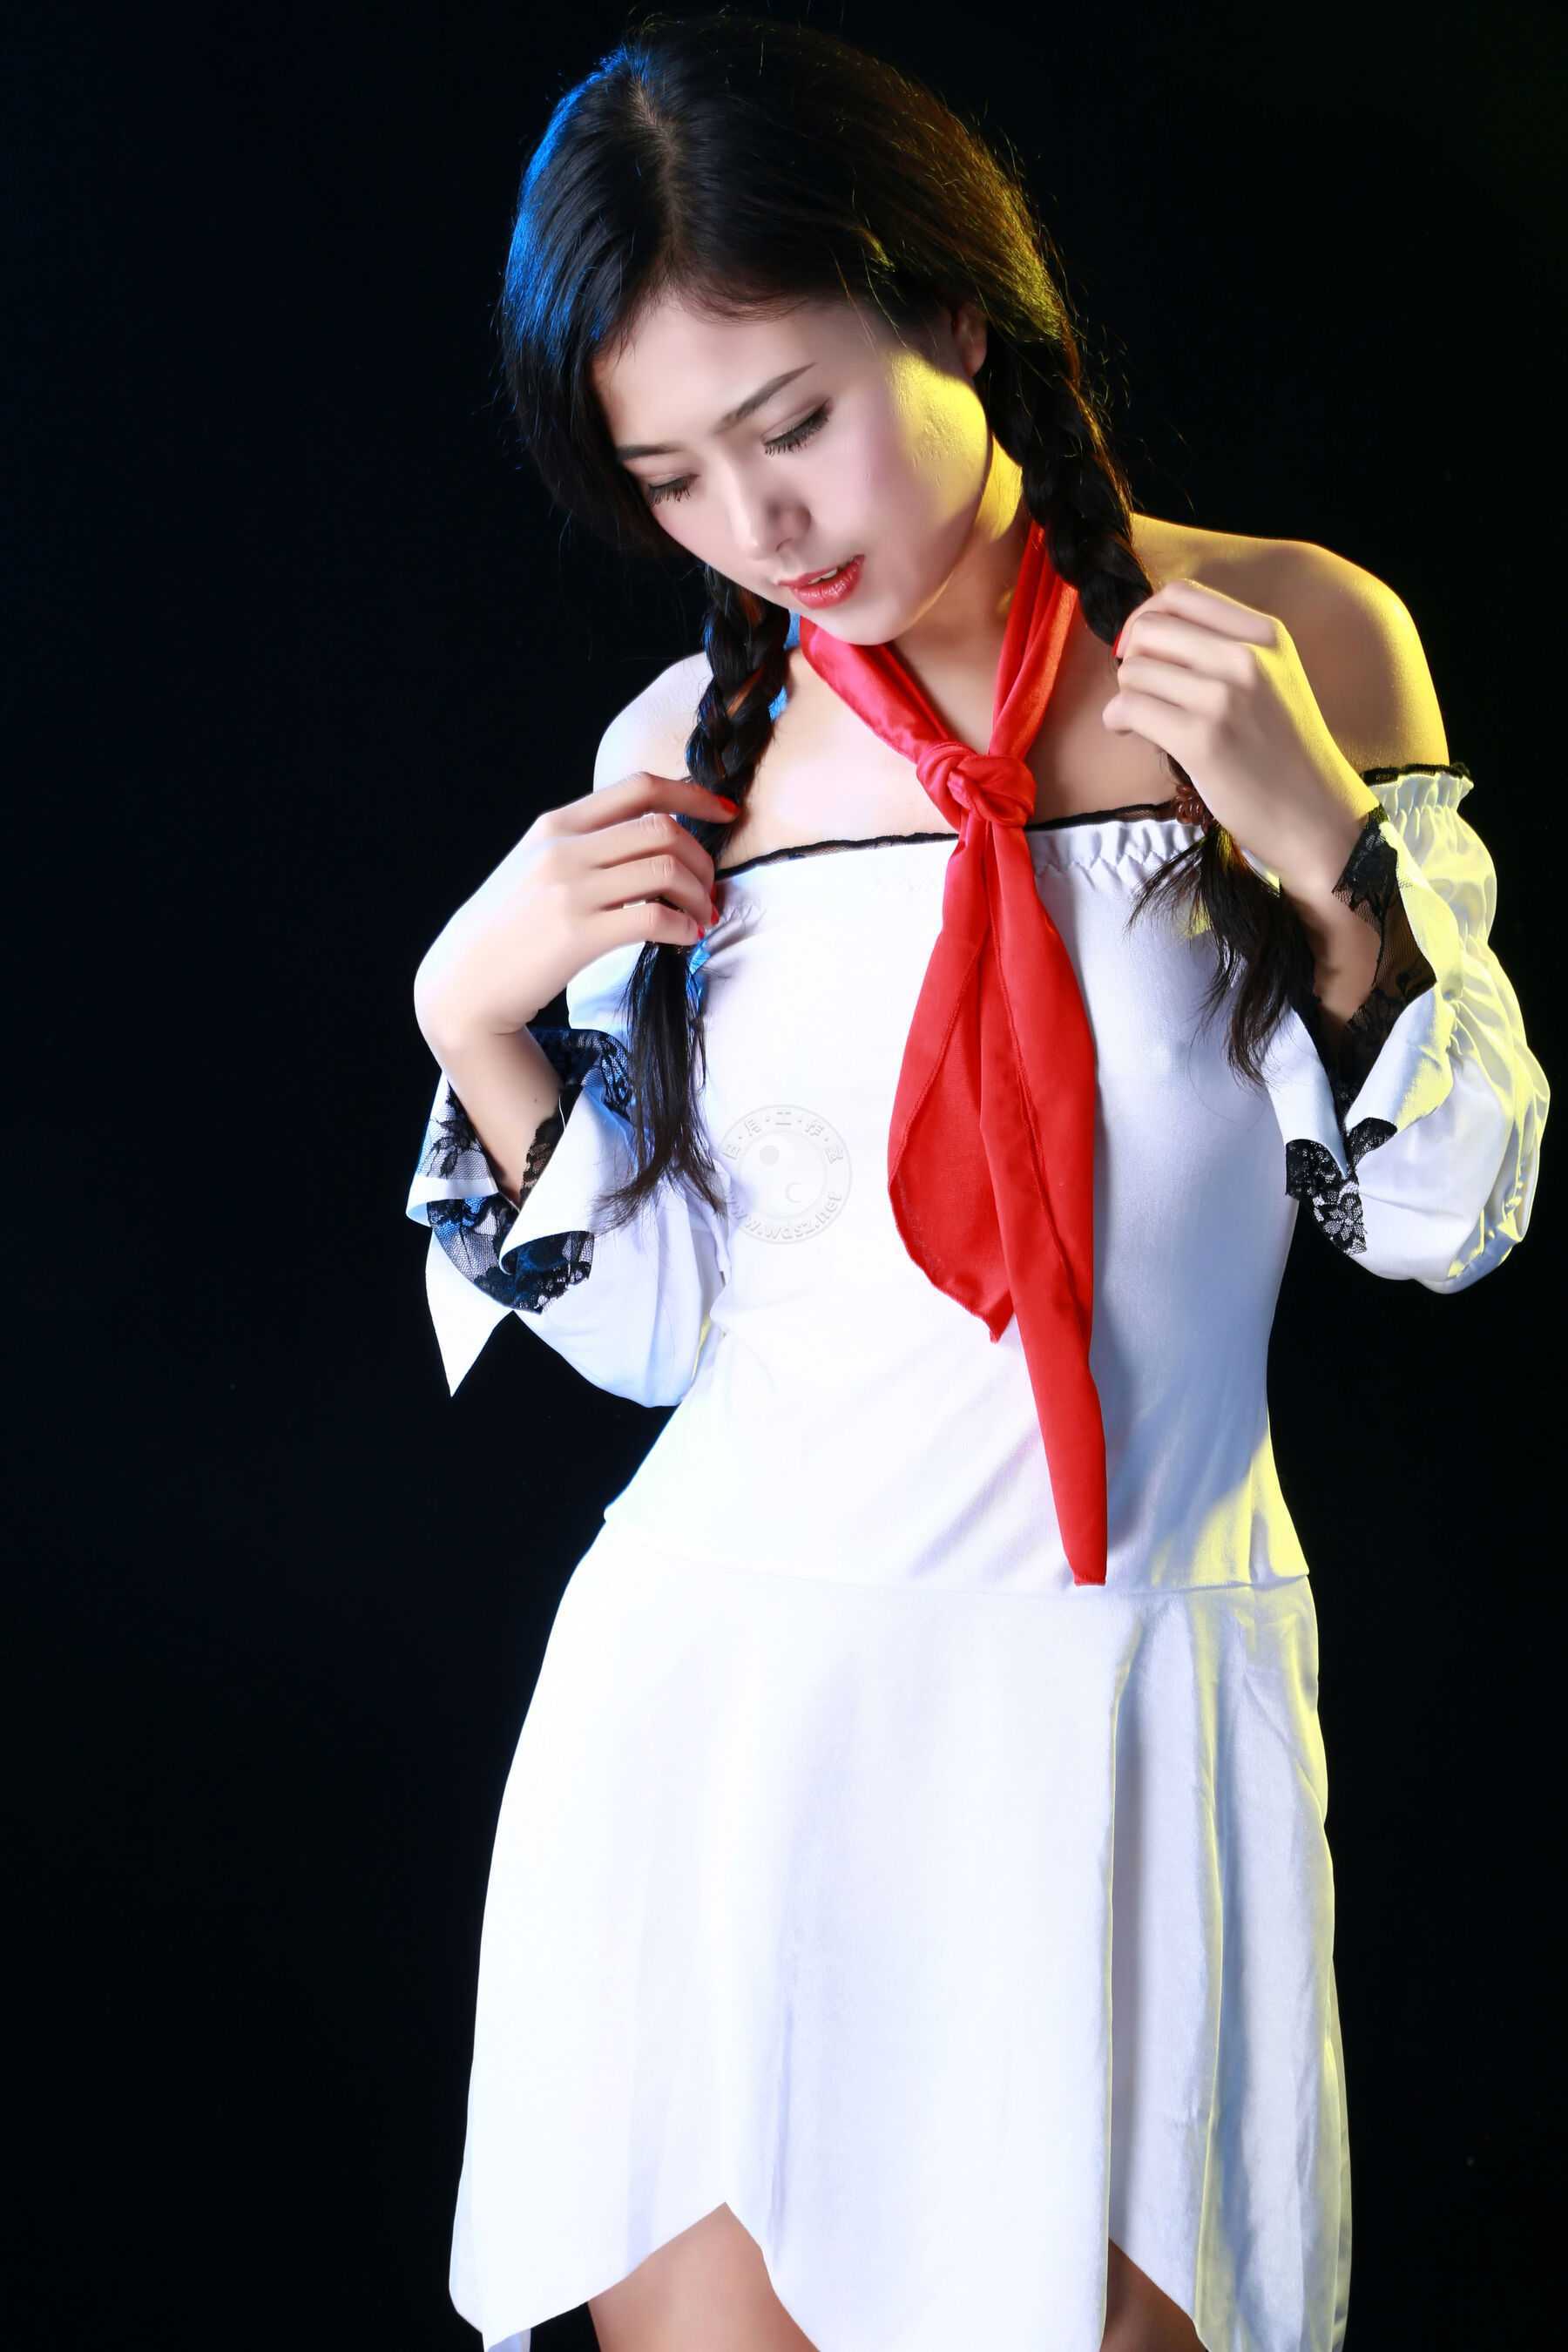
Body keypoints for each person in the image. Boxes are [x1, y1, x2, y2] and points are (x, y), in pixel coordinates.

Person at [403, 17, 1550, 2352]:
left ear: (952, 309)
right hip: (731, 1706)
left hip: (1116, 1710)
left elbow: (1451, 1216)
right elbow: (660, 1336)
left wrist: (1324, 850)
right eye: (673, 478)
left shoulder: (1295, 642)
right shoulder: (685, 752)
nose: (759, 529)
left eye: (793, 423)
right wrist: (471, 1019)